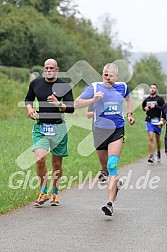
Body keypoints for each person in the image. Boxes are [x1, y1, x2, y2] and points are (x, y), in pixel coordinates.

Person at [75, 63, 135, 216]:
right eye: (104, 75)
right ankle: (115, 184)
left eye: (110, 75)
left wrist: (129, 114)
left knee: (112, 164)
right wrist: (93, 100)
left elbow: (128, 99)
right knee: (106, 168)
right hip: (99, 131)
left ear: (117, 76)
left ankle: (109, 203)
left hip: (117, 130)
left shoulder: (123, 87)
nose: (107, 78)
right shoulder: (95, 87)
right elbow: (76, 103)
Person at [25, 58, 74, 207]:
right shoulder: (36, 83)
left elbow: (71, 108)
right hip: (41, 127)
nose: (49, 70)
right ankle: (43, 191)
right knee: (40, 160)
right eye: (46, 68)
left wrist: (58, 103)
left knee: (57, 165)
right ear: (44, 69)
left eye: (52, 68)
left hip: (58, 128)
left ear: (57, 69)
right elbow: (28, 99)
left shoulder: (64, 86)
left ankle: (55, 192)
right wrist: (30, 109)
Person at [142, 84, 165, 163]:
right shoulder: (146, 99)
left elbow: (163, 108)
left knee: (158, 139)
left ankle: (158, 152)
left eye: (154, 88)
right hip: (149, 120)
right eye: (151, 88)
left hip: (157, 120)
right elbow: (143, 107)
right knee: (151, 137)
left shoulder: (160, 99)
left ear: (156, 89)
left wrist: (155, 106)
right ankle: (151, 155)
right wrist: (146, 108)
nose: (152, 89)